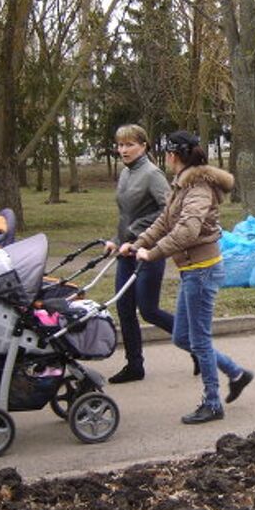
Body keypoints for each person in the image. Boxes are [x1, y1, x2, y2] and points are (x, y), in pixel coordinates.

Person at [130, 130, 254, 424]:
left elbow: (188, 231)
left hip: (202, 269)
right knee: (183, 337)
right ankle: (236, 373)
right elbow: (165, 221)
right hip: (192, 270)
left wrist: (153, 253)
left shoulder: (197, 188)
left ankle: (212, 403)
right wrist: (136, 245)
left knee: (198, 340)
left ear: (173, 156)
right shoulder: (182, 185)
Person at [104, 124, 174, 384]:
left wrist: (135, 233)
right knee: (124, 308)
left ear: (143, 146)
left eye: (129, 144)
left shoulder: (152, 174)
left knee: (148, 310)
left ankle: (197, 346)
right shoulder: (125, 174)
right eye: (120, 145)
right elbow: (126, 215)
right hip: (126, 251)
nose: (123, 149)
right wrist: (116, 240)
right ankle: (135, 365)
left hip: (149, 249)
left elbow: (168, 212)